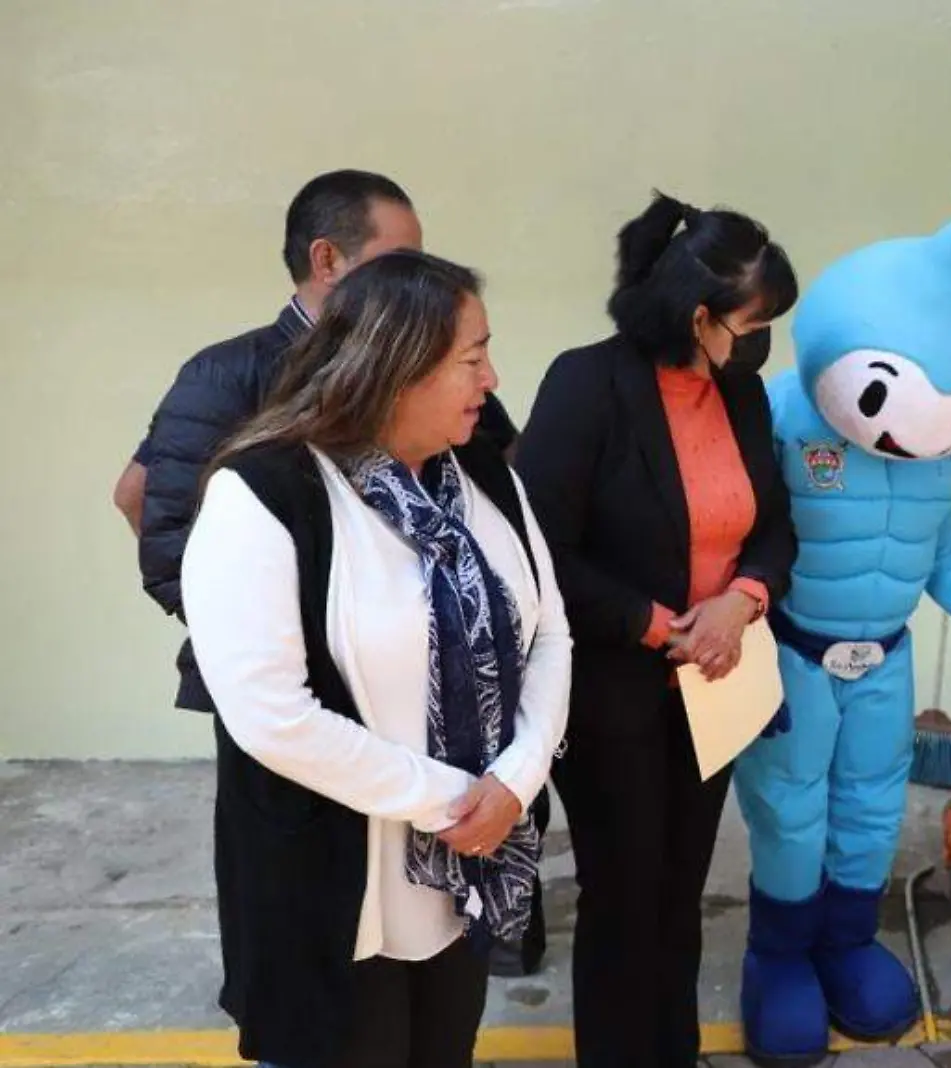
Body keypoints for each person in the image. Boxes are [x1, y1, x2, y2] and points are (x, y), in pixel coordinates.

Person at [122, 168, 544, 977]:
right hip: (302, 714)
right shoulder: (229, 378)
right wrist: (289, 636)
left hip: (444, 740)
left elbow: (510, 533)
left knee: (433, 977)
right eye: (400, 259)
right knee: (324, 927)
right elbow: (163, 523)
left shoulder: (453, 399)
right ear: (327, 260)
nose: (419, 279)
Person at [179, 250, 571, 1068]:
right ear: (397, 365)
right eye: (471, 358)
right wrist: (459, 799)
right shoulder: (265, 494)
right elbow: (271, 716)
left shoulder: (488, 481)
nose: (491, 378)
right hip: (334, 886)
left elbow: (549, 637)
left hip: (465, 870)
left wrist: (517, 780)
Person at [734, 210, 951, 1066]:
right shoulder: (776, 413)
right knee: (790, 810)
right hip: (792, 650)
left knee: (873, 807)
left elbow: (943, 560)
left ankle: (846, 942)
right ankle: (777, 959)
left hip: (885, 654)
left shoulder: (946, 455)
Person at [512, 192, 798, 1068]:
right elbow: (536, 546)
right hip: (613, 695)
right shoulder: (587, 384)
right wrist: (652, 623)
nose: (764, 343)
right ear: (702, 316)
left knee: (679, 895)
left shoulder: (741, 395)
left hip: (713, 687)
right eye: (755, 324)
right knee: (623, 900)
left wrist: (742, 598)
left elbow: (776, 527)